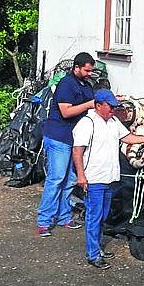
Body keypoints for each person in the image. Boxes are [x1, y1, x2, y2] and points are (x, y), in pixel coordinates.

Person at [72, 89, 144, 269]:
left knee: (103, 215)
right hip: (94, 177)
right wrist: (81, 175)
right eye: (109, 106)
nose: (113, 109)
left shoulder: (113, 121)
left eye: (114, 106)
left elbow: (126, 137)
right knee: (94, 216)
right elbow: (77, 150)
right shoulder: (86, 123)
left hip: (109, 177)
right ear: (98, 106)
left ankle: (97, 248)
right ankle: (93, 254)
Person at [36, 52, 96, 237]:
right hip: (58, 137)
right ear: (76, 68)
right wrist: (89, 104)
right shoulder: (66, 84)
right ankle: (44, 221)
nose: (89, 74)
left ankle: (64, 216)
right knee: (56, 178)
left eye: (91, 71)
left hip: (74, 140)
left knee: (70, 179)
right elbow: (66, 112)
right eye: (86, 70)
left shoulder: (86, 85)